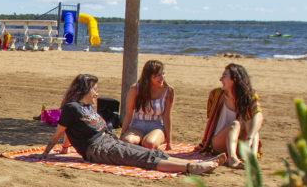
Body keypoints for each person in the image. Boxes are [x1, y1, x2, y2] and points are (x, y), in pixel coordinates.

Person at [37, 74, 224, 175]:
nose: (97, 93)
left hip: (109, 142)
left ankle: (194, 163)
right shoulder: (72, 108)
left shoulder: (88, 108)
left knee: (151, 153)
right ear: (86, 89)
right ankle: (192, 168)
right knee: (140, 158)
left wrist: (65, 149)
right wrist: (47, 152)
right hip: (97, 149)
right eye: (94, 89)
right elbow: (61, 131)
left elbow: (70, 132)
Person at [196, 63, 262, 168]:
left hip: (241, 143)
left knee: (253, 126)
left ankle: (251, 158)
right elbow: (210, 117)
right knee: (236, 124)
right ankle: (232, 159)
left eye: (224, 76)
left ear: (234, 79)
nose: (220, 79)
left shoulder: (249, 96)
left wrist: (249, 137)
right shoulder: (216, 94)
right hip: (218, 142)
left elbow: (258, 115)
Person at [121, 60, 173, 150]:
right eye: (157, 75)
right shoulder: (135, 89)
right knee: (127, 142)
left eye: (163, 74)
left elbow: (167, 116)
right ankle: (141, 143)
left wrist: (169, 141)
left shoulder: (168, 91)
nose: (162, 78)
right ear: (148, 77)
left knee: (149, 144)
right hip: (137, 125)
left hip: (157, 126)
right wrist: (122, 134)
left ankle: (148, 143)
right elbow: (129, 114)